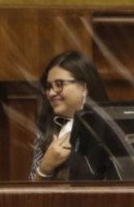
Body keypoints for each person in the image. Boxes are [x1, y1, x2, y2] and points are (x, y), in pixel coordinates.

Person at [31, 51, 110, 181]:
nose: (51, 93)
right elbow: (30, 197)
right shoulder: (46, 131)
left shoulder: (111, 127)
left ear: (84, 87)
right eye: (48, 86)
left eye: (59, 84)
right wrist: (45, 168)